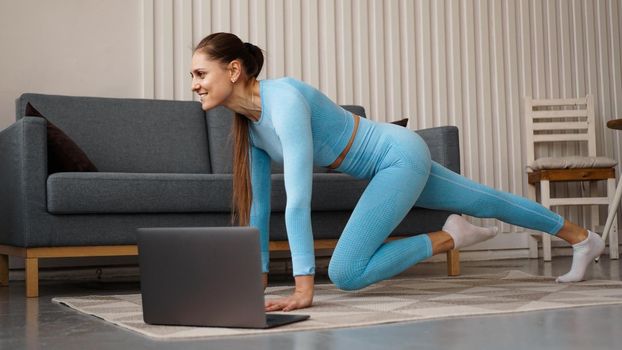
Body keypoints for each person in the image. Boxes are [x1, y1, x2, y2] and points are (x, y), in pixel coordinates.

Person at [190, 32, 606, 312]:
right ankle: (584, 238)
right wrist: (257, 279)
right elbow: (259, 206)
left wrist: (304, 287)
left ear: (233, 70)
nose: (194, 84)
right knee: (485, 199)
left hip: (397, 155)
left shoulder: (283, 100)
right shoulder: (251, 127)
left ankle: (452, 236)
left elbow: (299, 197)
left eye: (200, 73)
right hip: (390, 163)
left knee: (346, 273)